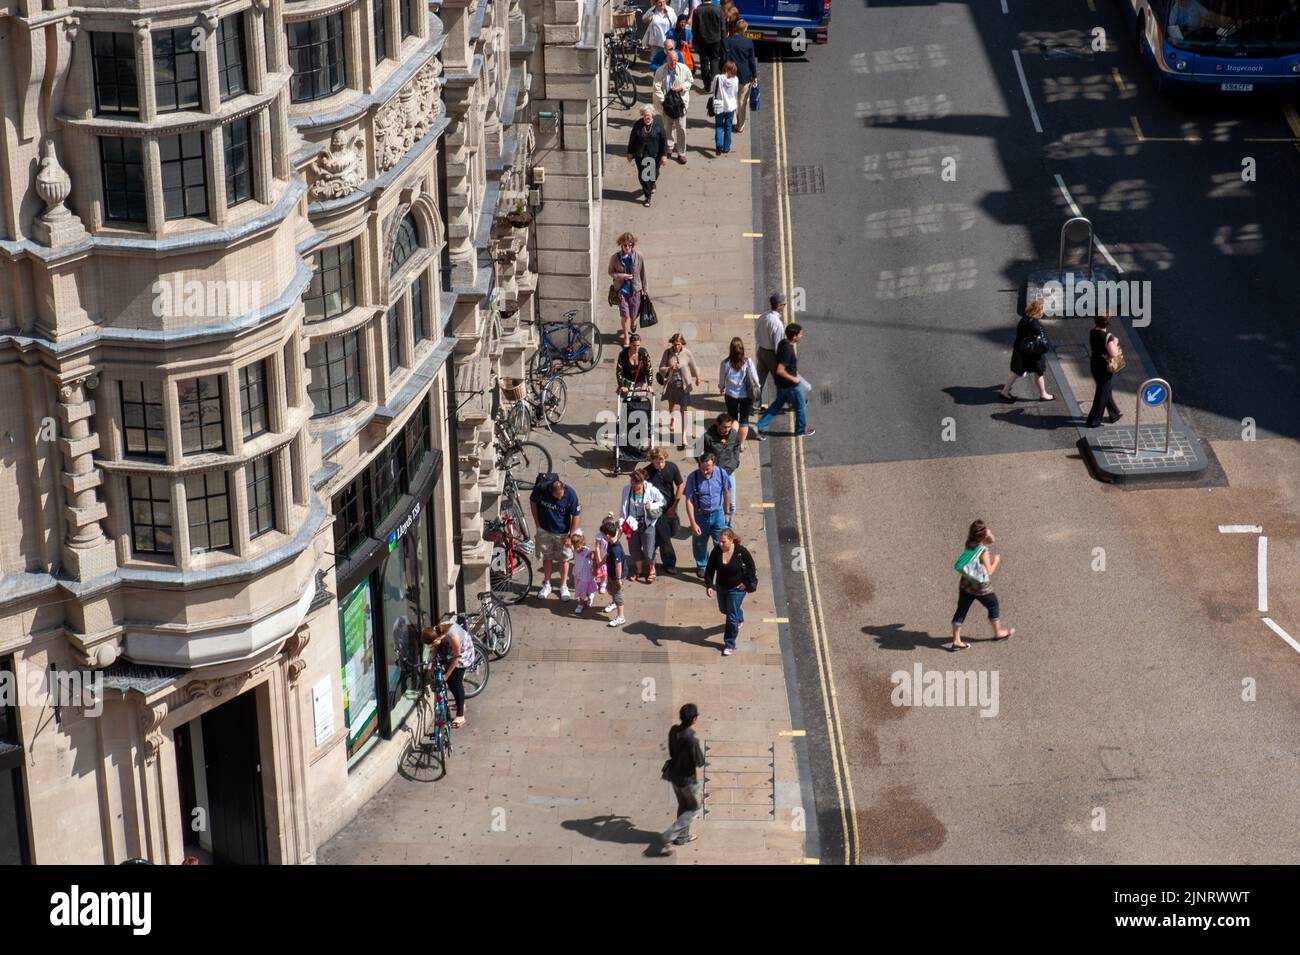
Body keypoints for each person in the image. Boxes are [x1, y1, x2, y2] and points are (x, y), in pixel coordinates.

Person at [950, 520, 1014, 650]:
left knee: (961, 610)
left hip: (966, 584)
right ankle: (998, 632)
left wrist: (988, 535)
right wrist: (996, 561)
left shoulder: (969, 543)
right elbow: (989, 571)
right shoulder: (983, 551)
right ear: (983, 535)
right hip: (981, 588)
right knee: (993, 604)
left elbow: (990, 541)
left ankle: (956, 640)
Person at [754, 323, 814, 438]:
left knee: (776, 405)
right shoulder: (788, 350)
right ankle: (801, 431)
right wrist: (795, 379)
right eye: (800, 334)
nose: (802, 335)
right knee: (800, 407)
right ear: (795, 336)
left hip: (782, 384)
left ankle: (759, 426)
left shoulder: (783, 343)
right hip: (790, 385)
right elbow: (780, 370)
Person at [660, 703, 706, 854]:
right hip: (687, 780)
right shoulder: (692, 741)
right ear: (693, 719)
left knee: (683, 804)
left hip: (673, 774)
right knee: (694, 808)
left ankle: (682, 837)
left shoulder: (673, 730)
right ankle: (671, 834)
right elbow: (700, 762)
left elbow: (672, 750)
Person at [705, 528, 758, 655]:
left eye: (723, 542)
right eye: (719, 541)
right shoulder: (717, 551)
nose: (720, 544)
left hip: (737, 589)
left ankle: (730, 644)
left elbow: (751, 567)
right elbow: (710, 568)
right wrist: (709, 585)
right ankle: (739, 615)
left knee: (731, 617)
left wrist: (745, 584)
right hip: (721, 587)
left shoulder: (741, 552)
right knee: (724, 610)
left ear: (731, 540)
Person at [530, 477, 581, 600]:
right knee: (547, 557)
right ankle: (547, 584)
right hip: (545, 530)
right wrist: (537, 524)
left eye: (561, 495)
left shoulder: (571, 494)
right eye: (557, 496)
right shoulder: (541, 489)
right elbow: (532, 502)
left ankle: (563, 586)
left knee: (564, 559)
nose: (559, 498)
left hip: (563, 533)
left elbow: (576, 516)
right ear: (551, 491)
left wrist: (570, 535)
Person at [683, 452, 732, 577]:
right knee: (699, 543)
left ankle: (722, 563)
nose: (704, 471)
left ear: (714, 465)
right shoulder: (692, 478)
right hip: (700, 515)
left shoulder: (721, 474)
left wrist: (727, 513)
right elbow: (688, 500)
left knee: (722, 541)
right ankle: (702, 565)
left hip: (718, 514)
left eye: (707, 469)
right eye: (702, 468)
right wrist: (693, 523)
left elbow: (726, 493)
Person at [422, 621, 478, 726]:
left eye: (432, 643)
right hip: (448, 649)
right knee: (450, 681)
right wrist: (431, 667)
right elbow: (435, 649)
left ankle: (461, 716)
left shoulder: (453, 636)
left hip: (462, 653)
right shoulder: (435, 632)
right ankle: (459, 704)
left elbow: (457, 658)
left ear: (437, 639)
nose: (432, 646)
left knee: (455, 682)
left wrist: (447, 675)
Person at [1000, 299, 1054, 402]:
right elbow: (1040, 341)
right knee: (1038, 372)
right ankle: (1043, 394)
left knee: (1016, 371)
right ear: (1039, 311)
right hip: (1031, 354)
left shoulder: (1024, 319)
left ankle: (1005, 391)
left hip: (1020, 350)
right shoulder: (1034, 324)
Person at [620, 468, 668, 583]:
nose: (633, 485)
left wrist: (651, 505)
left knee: (648, 548)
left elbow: (663, 501)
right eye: (632, 482)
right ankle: (639, 570)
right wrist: (621, 523)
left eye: (636, 483)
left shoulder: (651, 490)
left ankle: (652, 569)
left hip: (647, 524)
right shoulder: (627, 489)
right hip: (631, 524)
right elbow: (623, 508)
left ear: (642, 482)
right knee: (634, 548)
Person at [645, 446, 684, 575]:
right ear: (652, 461)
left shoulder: (672, 467)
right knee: (665, 536)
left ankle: (655, 547)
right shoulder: (647, 472)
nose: (660, 465)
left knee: (674, 529)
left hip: (671, 504)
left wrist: (674, 506)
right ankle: (670, 563)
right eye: (657, 462)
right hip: (657, 509)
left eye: (662, 461)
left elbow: (680, 485)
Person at [658, 332, 701, 450]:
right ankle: (672, 419)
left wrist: (697, 377)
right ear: (672, 343)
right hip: (671, 385)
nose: (677, 346)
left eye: (679, 344)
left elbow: (693, 365)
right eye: (675, 344)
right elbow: (661, 368)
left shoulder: (687, 353)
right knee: (671, 407)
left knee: (684, 410)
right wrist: (670, 368)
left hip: (684, 386)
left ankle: (683, 436)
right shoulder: (667, 353)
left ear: (682, 343)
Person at [608, 232, 649, 348]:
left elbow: (643, 273)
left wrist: (645, 289)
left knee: (634, 314)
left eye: (630, 245)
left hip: (636, 290)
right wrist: (622, 276)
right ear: (621, 245)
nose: (627, 247)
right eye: (625, 245)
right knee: (625, 315)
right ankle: (626, 336)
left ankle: (633, 321)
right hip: (622, 291)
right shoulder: (615, 258)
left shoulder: (638, 256)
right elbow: (610, 272)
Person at [719, 336, 761, 449]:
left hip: (730, 395)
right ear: (742, 349)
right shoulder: (748, 362)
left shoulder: (725, 363)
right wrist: (757, 388)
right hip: (746, 396)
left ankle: (732, 442)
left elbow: (722, 379)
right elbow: (755, 379)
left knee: (733, 419)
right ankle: (741, 444)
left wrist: (721, 387)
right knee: (744, 420)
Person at [653, 48, 693, 164]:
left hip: (680, 104)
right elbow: (656, 87)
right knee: (667, 128)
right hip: (667, 105)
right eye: (671, 61)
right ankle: (669, 147)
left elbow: (690, 81)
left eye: (675, 60)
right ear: (667, 60)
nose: (674, 63)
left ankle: (681, 153)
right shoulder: (660, 71)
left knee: (681, 128)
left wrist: (682, 87)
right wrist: (663, 100)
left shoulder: (684, 69)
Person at [1085, 313, 1124, 428]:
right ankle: (1094, 420)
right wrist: (1115, 342)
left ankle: (1114, 413)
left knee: (1106, 388)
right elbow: (1113, 354)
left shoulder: (1093, 332)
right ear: (1107, 323)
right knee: (1101, 394)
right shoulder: (1108, 337)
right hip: (1105, 367)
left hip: (1095, 364)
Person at [627, 105, 668, 208]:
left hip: (655, 155)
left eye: (648, 115)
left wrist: (664, 155)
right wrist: (630, 152)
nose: (647, 118)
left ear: (652, 115)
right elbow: (632, 139)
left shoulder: (658, 126)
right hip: (640, 154)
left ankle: (652, 183)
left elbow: (663, 141)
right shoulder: (638, 125)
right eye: (645, 115)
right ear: (642, 116)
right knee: (644, 176)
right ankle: (647, 196)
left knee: (654, 174)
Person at [701, 413, 740, 520]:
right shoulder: (707, 437)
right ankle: (718, 526)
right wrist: (705, 467)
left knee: (731, 505)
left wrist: (735, 462)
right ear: (718, 424)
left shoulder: (734, 434)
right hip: (714, 475)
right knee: (715, 503)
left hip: (729, 473)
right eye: (724, 427)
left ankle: (728, 529)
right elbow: (697, 452)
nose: (727, 429)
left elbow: (736, 447)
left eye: (729, 427)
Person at [723, 19, 758, 133]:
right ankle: (740, 126)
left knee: (730, 98)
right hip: (744, 76)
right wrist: (754, 75)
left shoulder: (728, 41)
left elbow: (723, 59)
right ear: (744, 30)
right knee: (742, 101)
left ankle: (732, 120)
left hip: (730, 75)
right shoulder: (748, 42)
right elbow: (751, 61)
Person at [755, 291, 786, 408]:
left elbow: (756, 332)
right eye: (784, 304)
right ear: (779, 306)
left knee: (759, 379)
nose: (784, 306)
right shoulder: (777, 324)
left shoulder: (763, 316)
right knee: (781, 380)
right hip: (771, 354)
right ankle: (788, 402)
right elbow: (778, 345)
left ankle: (755, 403)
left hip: (761, 351)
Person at [691, 0, 726, 92]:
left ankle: (707, 83)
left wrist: (695, 41)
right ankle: (713, 83)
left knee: (704, 60)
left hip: (702, 40)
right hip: (716, 40)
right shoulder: (718, 10)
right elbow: (723, 28)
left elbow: (694, 28)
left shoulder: (698, 11)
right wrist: (723, 41)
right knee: (714, 60)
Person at [600, 517, 628, 627]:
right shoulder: (612, 540)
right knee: (610, 589)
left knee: (617, 594)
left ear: (607, 536)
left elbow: (618, 565)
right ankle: (614, 603)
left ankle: (621, 617)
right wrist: (601, 563)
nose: (602, 536)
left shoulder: (616, 549)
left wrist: (618, 579)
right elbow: (607, 555)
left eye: (603, 535)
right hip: (612, 573)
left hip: (617, 575)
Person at [709, 61, 739, 156]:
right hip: (730, 106)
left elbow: (712, 89)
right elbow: (735, 92)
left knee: (719, 126)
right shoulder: (736, 79)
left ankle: (719, 145)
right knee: (728, 126)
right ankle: (726, 148)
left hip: (719, 106)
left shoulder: (718, 78)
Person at [571, 531, 602, 615]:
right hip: (578, 573)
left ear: (582, 543)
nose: (576, 549)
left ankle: (581, 604)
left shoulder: (587, 551)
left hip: (586, 574)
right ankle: (590, 596)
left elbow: (594, 558)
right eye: (574, 547)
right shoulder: (575, 549)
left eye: (578, 547)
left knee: (582, 589)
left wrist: (595, 569)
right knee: (581, 587)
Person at [643, 0, 678, 71]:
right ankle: (657, 78)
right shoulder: (652, 10)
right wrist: (648, 19)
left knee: (668, 61)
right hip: (656, 42)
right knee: (655, 63)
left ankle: (668, 79)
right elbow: (643, 19)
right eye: (659, 2)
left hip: (667, 43)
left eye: (664, 2)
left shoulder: (670, 11)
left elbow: (675, 24)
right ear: (655, 3)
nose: (662, 4)